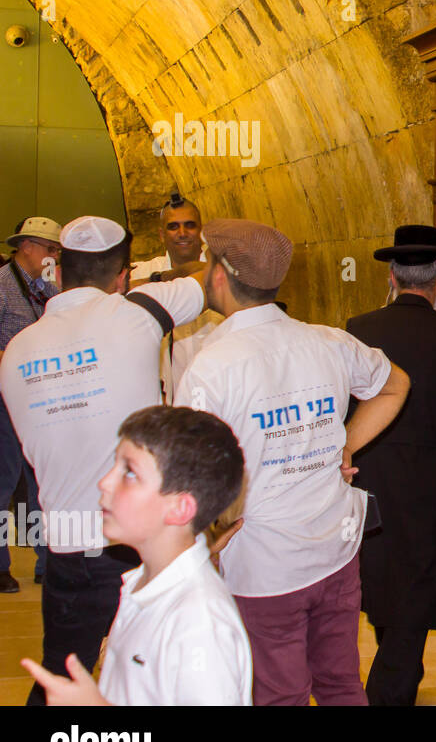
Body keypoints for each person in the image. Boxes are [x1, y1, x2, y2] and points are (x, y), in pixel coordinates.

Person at [175, 218, 410, 706]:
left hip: (264, 564)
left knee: (279, 692)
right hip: (336, 550)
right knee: (340, 682)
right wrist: (344, 444)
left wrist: (206, 540)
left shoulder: (213, 365)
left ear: (218, 273)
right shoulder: (327, 342)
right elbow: (395, 384)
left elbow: (192, 473)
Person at [0, 216, 206, 704]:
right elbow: (220, 274)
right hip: (138, 546)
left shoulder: (15, 352)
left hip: (66, 550)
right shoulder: (139, 313)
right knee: (158, 677)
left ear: (57, 270)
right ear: (121, 275)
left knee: (64, 673)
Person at [21, 405, 252, 705]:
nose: (104, 482)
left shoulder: (200, 625)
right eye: (113, 465)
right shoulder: (140, 584)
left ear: (180, 508)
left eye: (129, 472)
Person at [345, 225, 436, 705]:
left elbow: (343, 411)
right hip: (432, 490)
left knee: (382, 583)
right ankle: (389, 693)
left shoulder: (359, 328)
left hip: (370, 478)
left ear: (393, 278)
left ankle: (394, 683)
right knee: (418, 587)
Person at [0, 217, 60, 591]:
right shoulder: (3, 286)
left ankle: (45, 560)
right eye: (49, 248)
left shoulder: (50, 289)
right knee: (4, 482)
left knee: (40, 482)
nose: (53, 255)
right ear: (26, 247)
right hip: (6, 399)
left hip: (39, 400)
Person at [129, 194, 221, 402]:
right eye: (173, 227)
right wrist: (162, 279)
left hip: (219, 394)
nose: (182, 233)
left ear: (201, 231)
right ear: (161, 234)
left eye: (190, 225)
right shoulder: (143, 273)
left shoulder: (225, 273)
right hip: (168, 403)